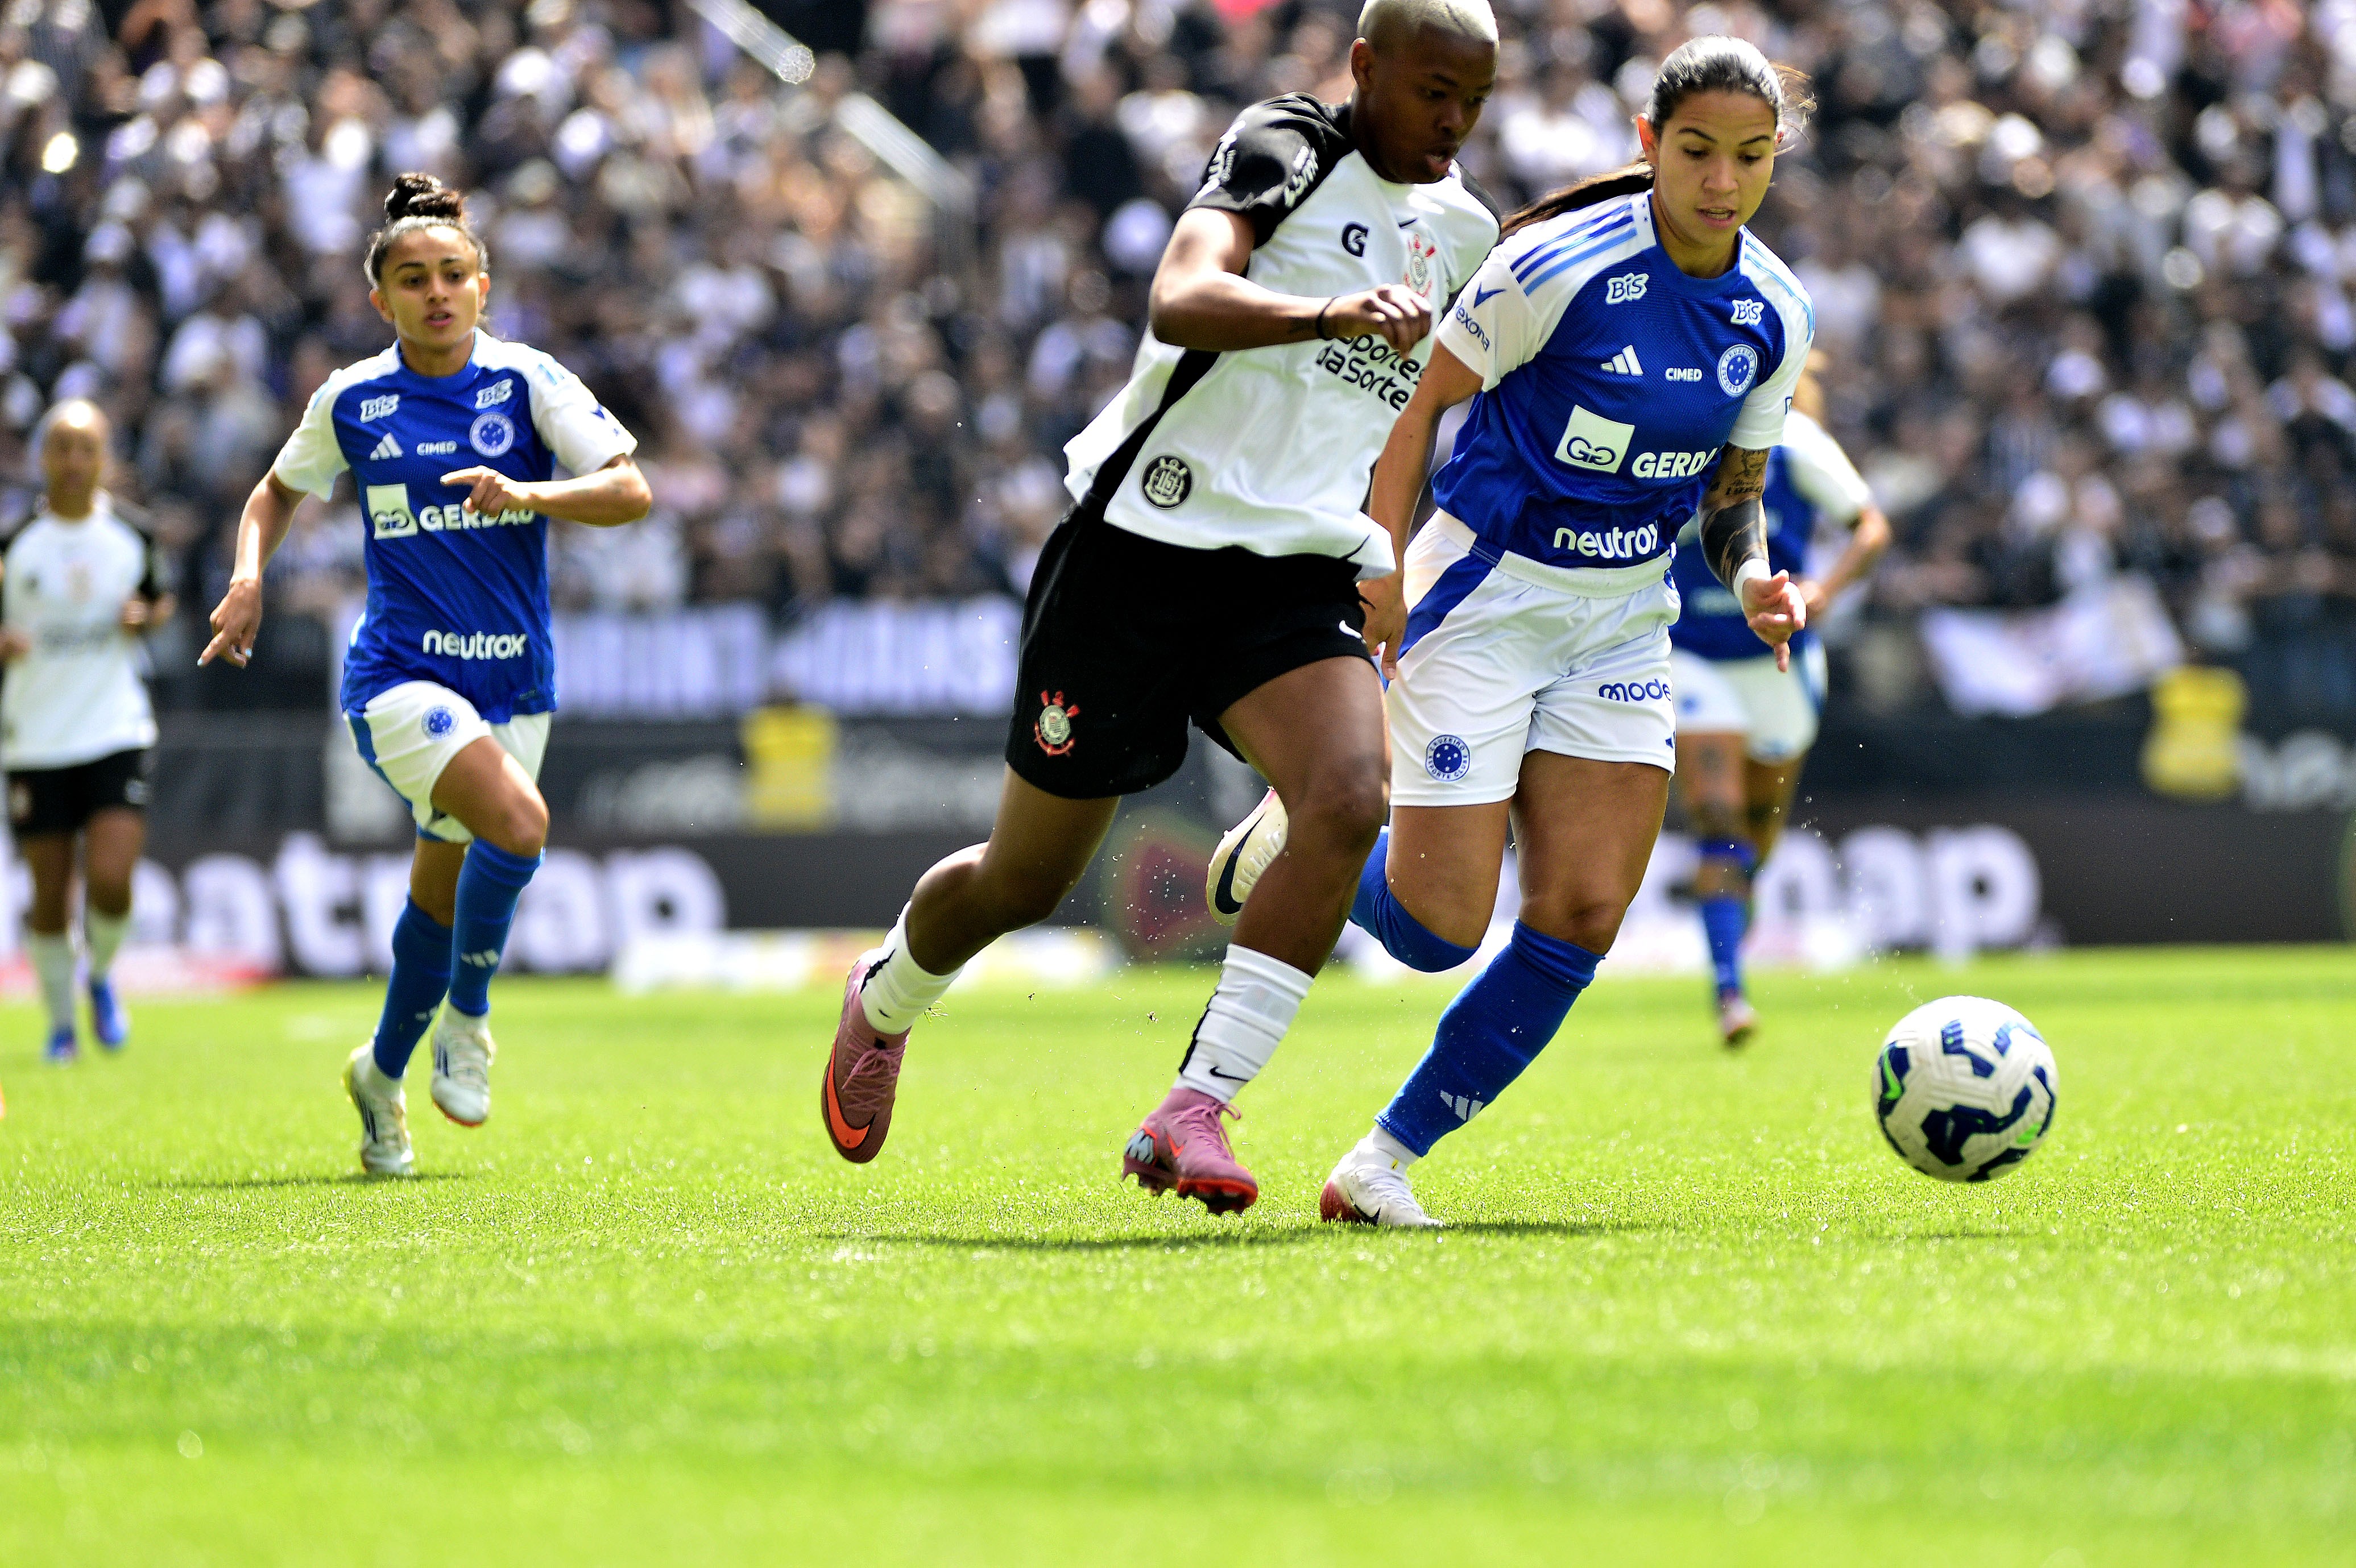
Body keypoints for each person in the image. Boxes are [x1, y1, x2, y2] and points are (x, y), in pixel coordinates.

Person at [818, 0, 1504, 1214]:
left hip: (1290, 568)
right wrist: (1327, 311)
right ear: (1363, 67)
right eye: (1430, 90)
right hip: (1138, 552)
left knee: (1347, 797)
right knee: (1024, 882)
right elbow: (1180, 297)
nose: (1452, 120)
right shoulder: (1287, 145)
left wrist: (1381, 551)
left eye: (1472, 100)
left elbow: (1402, 406)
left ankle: (1194, 1107)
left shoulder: (1461, 232)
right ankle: (886, 998)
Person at [1207, 36, 1813, 1226]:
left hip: (1623, 619)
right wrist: (1379, 557)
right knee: (1437, 932)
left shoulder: (1775, 311)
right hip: (1484, 592)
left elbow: (1731, 497)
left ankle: (1379, 1163)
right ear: (1648, 144)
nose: (1720, 181)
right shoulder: (1557, 265)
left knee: (1583, 911)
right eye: (1695, 150)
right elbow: (1415, 400)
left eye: (1749, 157)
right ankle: (1292, 843)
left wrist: (1751, 579)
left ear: (1773, 159)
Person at [202, 173, 649, 1176]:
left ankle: (379, 1073)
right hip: (398, 679)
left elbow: (630, 489)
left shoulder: (527, 381)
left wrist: (527, 492)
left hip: (514, 682)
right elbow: (274, 492)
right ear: (382, 300)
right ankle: (470, 1021)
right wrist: (247, 578)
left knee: (439, 899)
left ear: (482, 286)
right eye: (413, 279)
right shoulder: (354, 398)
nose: (436, 292)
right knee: (520, 825)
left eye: (453, 274)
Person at [1668, 351, 1888, 1043]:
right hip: (1691, 655)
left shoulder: (1798, 444)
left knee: (1755, 838)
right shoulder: (1675, 431)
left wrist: (1826, 591)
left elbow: (1871, 525)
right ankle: (1729, 992)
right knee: (1718, 816)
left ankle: (1736, 900)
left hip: (1778, 660)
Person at [2, 400, 175, 1063]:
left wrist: (147, 617)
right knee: (48, 892)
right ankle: (59, 1025)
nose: (73, 461)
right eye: (62, 447)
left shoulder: (133, 534)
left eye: (86, 448)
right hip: (35, 736)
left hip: (114, 726)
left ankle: (100, 974)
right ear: (43, 457)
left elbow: (160, 600)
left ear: (105, 458)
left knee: (110, 878)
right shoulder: (16, 544)